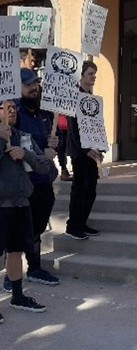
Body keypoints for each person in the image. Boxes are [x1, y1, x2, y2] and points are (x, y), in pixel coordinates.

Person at [0, 99, 50, 324]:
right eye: (6, 107)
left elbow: (44, 167)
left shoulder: (23, 136)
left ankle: (17, 296)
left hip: (20, 205)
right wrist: (0, 142)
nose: (12, 111)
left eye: (14, 107)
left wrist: (25, 154)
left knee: (16, 252)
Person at [4, 68, 59, 288]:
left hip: (44, 179)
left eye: (35, 82)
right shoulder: (14, 115)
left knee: (36, 228)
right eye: (28, 84)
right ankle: (11, 274)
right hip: (24, 182)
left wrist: (56, 145)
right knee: (19, 230)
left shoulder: (45, 113)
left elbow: (56, 143)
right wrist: (39, 154)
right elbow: (12, 143)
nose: (33, 87)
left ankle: (34, 268)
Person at [65, 60, 103, 240]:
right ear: (81, 75)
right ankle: (73, 225)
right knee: (80, 189)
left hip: (92, 151)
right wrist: (85, 149)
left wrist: (99, 147)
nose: (93, 77)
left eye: (94, 74)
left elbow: (96, 126)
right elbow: (73, 128)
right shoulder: (75, 96)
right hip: (79, 152)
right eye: (90, 73)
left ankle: (82, 223)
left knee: (91, 189)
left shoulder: (92, 97)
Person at [57, 113, 72, 181]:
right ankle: (64, 170)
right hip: (61, 125)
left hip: (69, 125)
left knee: (72, 148)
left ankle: (65, 170)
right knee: (61, 149)